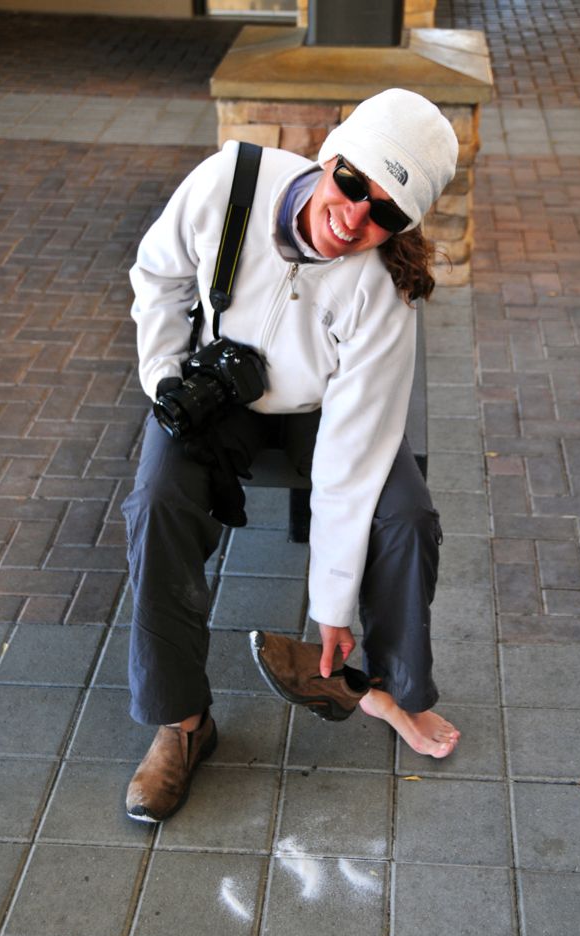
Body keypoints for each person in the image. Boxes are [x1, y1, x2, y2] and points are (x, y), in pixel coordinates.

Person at [123, 89, 461, 824]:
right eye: (351, 184)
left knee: (405, 515)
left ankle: (385, 685)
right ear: (329, 155)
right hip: (221, 394)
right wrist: (165, 378)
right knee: (156, 502)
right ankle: (181, 722)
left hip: (324, 412)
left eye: (386, 215)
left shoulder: (382, 293)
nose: (355, 218)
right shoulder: (229, 184)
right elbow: (157, 275)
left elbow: (350, 456)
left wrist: (329, 605)